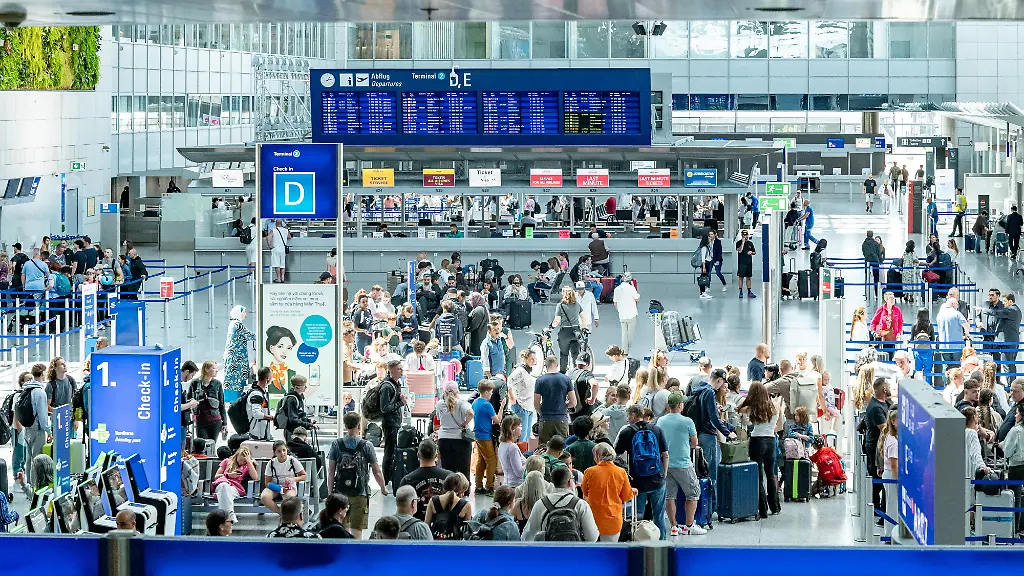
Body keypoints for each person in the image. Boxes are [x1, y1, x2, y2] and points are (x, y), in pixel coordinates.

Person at [328, 411, 388, 539]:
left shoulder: (336, 445)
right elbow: (376, 470)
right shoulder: (366, 445)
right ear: (359, 426)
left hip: (340, 493)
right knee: (357, 529)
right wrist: (383, 488)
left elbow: (331, 471)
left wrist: (330, 492)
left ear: (345, 425)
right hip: (360, 493)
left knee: (341, 528)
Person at [614, 405, 669, 540]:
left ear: (633, 415)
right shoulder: (657, 430)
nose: (628, 419)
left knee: (637, 514)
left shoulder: (627, 432)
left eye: (628, 416)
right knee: (659, 515)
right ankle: (662, 543)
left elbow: (616, 453)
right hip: (657, 478)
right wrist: (664, 474)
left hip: (638, 481)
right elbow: (665, 455)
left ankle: (639, 542)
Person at [689, 368, 735, 515]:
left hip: (700, 433)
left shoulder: (701, 389)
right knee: (711, 473)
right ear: (720, 380)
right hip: (708, 435)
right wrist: (728, 432)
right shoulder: (710, 392)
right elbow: (713, 419)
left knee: (701, 470)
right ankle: (711, 508)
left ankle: (704, 506)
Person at [736, 383, 782, 517]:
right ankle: (775, 507)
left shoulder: (752, 408)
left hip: (757, 440)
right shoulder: (773, 407)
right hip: (771, 441)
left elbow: (739, 409)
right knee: (771, 475)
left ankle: (762, 509)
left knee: (758, 476)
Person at [522, 465, 600, 541]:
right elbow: (592, 537)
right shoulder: (581, 504)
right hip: (574, 551)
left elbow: (527, 536)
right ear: (569, 482)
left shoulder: (540, 504)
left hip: (549, 551)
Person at [581, 442, 635, 542]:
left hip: (592, 520)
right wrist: (633, 491)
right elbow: (627, 496)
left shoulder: (589, 472)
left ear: (597, 455)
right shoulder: (621, 472)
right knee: (609, 552)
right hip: (613, 520)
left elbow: (585, 492)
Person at [863, 378, 892, 525]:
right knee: (877, 479)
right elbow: (885, 428)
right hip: (876, 447)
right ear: (884, 389)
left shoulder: (886, 404)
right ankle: (875, 508)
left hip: (881, 448)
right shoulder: (875, 408)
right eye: (888, 386)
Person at [534, 354, 577, 445]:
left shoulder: (540, 380)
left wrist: (542, 413)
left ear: (545, 366)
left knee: (544, 449)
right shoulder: (566, 379)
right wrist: (563, 406)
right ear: (557, 365)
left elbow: (536, 404)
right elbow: (573, 402)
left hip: (546, 419)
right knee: (561, 449)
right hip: (561, 419)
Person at [979, 292, 1022, 377]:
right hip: (1010, 341)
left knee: (1008, 365)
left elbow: (996, 313)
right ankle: (1011, 385)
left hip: (1008, 342)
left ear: (1010, 301)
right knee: (1009, 364)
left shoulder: (1011, 310)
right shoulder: (1015, 310)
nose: (1003, 303)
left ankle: (1011, 386)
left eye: (1005, 301)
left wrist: (983, 310)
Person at [437, 381, 474, 479]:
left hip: (444, 439)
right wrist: (465, 424)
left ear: (444, 392)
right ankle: (464, 492)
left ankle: (449, 491)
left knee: (447, 470)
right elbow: (471, 413)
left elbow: (438, 418)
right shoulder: (462, 403)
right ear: (457, 391)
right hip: (460, 439)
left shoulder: (440, 404)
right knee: (463, 470)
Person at [212, 447, 259, 522]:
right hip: (222, 484)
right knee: (224, 486)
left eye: (244, 461)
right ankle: (230, 515)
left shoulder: (247, 466)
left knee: (225, 492)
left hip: (235, 488)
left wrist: (249, 462)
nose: (242, 462)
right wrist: (228, 475)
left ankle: (225, 517)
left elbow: (255, 477)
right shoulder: (227, 461)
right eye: (240, 460)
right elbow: (216, 476)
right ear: (236, 455)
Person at [259, 440, 307, 515]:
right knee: (264, 497)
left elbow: (304, 476)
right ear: (275, 453)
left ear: (287, 450)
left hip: (289, 488)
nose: (282, 453)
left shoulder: (292, 461)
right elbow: (267, 483)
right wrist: (280, 489)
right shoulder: (271, 463)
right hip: (275, 487)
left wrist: (293, 479)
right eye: (279, 451)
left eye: (284, 450)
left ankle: (289, 515)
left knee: (288, 498)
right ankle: (281, 513)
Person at [471, 379, 501, 495]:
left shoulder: (475, 403)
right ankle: (489, 486)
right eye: (492, 392)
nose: (492, 394)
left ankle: (478, 486)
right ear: (487, 392)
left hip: (477, 435)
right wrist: (502, 406)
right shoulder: (487, 405)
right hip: (485, 436)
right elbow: (497, 420)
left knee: (481, 461)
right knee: (492, 461)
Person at [220, 305, 255, 403]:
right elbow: (250, 335)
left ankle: (232, 398)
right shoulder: (237, 324)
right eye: (244, 312)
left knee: (232, 378)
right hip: (236, 358)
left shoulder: (233, 323)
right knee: (236, 379)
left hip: (234, 356)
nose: (245, 314)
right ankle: (235, 399)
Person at [424, 472, 473, 540]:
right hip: (455, 545)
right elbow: (468, 532)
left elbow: (426, 525)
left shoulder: (433, 500)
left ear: (444, 485)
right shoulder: (466, 505)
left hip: (436, 543)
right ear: (460, 489)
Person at [551, 286, 588, 372]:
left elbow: (557, 320)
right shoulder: (577, 305)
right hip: (576, 331)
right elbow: (584, 317)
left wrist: (551, 327)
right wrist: (585, 328)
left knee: (564, 354)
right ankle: (576, 371)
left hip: (564, 332)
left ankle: (563, 372)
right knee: (575, 353)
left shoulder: (560, 305)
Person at [508, 349, 537, 443]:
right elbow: (509, 382)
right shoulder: (520, 371)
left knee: (526, 436)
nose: (533, 361)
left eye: (534, 359)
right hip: (520, 405)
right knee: (521, 435)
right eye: (531, 359)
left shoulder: (528, 372)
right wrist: (512, 398)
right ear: (525, 359)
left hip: (529, 407)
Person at [937, 297, 970, 369]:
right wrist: (967, 334)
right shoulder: (957, 314)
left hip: (943, 346)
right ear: (953, 304)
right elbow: (966, 326)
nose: (957, 306)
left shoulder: (939, 315)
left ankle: (947, 380)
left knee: (947, 368)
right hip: (957, 346)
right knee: (958, 368)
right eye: (957, 304)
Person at [612, 271, 640, 353]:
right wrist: (634, 286)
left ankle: (624, 351)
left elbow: (615, 302)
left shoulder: (617, 289)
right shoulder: (631, 288)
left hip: (622, 315)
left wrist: (619, 310)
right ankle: (627, 350)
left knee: (624, 334)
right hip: (632, 314)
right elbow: (637, 299)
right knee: (630, 335)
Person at [269, 219, 291, 283]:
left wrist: (269, 245)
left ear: (275, 224)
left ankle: (278, 278)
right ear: (282, 224)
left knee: (277, 264)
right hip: (283, 249)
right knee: (282, 264)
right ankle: (283, 278)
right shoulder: (286, 230)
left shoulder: (273, 230)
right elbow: (289, 237)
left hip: (275, 249)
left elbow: (268, 237)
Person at [696, 232, 713, 299]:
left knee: (704, 278)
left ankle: (703, 293)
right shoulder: (704, 248)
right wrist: (704, 267)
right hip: (705, 264)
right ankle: (702, 293)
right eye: (709, 237)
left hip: (708, 263)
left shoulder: (707, 246)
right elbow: (703, 258)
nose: (710, 238)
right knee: (703, 278)